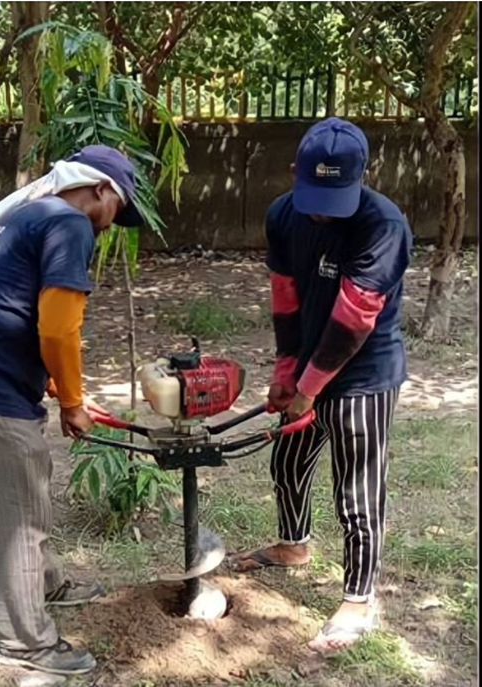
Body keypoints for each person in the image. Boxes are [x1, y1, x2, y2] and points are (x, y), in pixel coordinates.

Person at [0, 145, 143, 676]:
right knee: (13, 515)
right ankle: (24, 644)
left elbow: (13, 303)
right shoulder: (68, 224)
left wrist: (51, 379)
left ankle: (49, 583)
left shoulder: (30, 213)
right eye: (119, 209)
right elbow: (57, 327)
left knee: (29, 485)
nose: (113, 226)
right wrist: (71, 401)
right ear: (99, 190)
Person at [231, 118, 412, 655]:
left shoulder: (384, 224)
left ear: (364, 177)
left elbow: (354, 319)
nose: (319, 210)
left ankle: (359, 599)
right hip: (310, 359)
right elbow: (286, 298)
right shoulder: (283, 215)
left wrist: (307, 388)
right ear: (295, 172)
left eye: (335, 197)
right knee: (287, 459)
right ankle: (293, 546)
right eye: (313, 192)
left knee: (357, 490)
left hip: (364, 373)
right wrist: (287, 371)